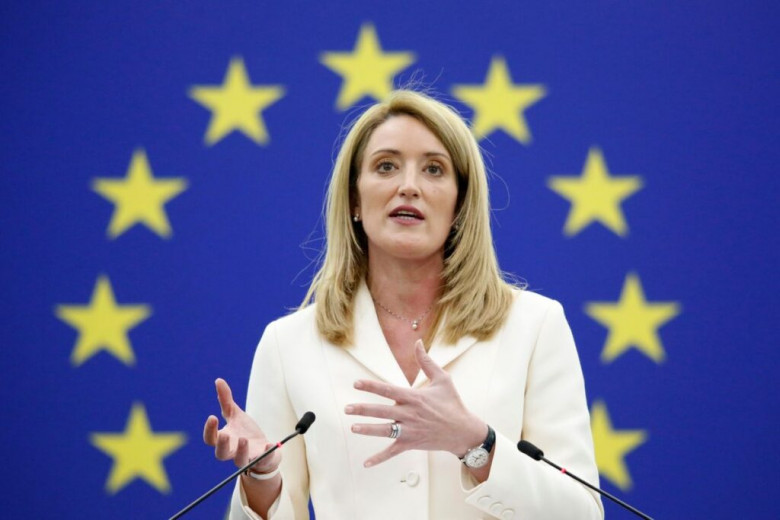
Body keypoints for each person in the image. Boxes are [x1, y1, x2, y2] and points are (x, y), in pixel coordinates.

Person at [203, 90, 604, 519]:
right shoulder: (288, 345)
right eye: (386, 166)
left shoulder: (535, 326)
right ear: (354, 199)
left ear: (460, 203)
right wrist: (261, 480)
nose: (408, 186)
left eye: (434, 169)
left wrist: (477, 445)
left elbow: (582, 513)